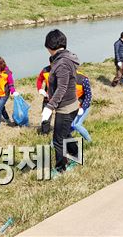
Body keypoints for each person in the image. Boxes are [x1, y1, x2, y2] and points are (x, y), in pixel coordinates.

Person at [40, 29, 81, 177]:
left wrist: (49, 107)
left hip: (66, 107)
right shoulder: (65, 58)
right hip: (71, 104)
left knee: (58, 140)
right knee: (65, 134)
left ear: (50, 46)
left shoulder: (62, 63)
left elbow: (62, 87)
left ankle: (60, 169)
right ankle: (76, 156)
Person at [36, 64, 51, 134]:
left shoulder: (63, 69)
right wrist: (40, 89)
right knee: (46, 114)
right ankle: (45, 132)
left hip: (60, 96)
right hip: (48, 96)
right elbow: (39, 80)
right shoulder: (45, 70)